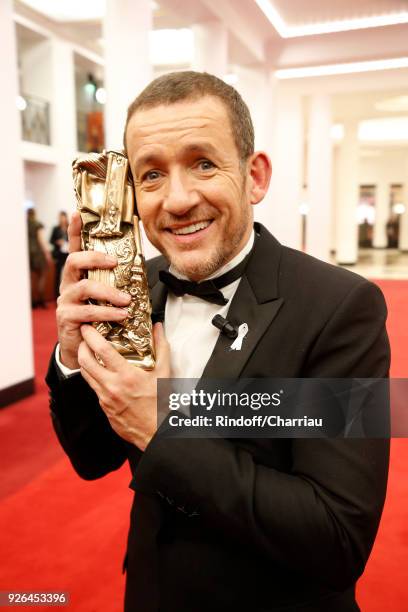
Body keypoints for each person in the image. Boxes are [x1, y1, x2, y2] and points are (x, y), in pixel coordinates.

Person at [46, 72, 390, 612]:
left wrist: (163, 430)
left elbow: (338, 537)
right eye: (152, 174)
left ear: (254, 176)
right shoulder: (138, 287)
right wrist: (70, 357)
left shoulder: (342, 309)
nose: (178, 200)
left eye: (204, 163)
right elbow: (92, 459)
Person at [27, 207, 52, 308]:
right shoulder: (37, 224)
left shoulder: (24, 225)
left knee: (32, 279)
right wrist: (47, 253)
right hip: (38, 253)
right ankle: (41, 300)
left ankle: (32, 301)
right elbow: (41, 239)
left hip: (28, 253)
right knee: (42, 276)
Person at [50, 211, 69, 299]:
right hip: (59, 254)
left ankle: (67, 294)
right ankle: (57, 296)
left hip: (68, 253)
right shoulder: (55, 229)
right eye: (60, 217)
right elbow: (51, 240)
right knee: (58, 275)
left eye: (63, 217)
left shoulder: (69, 227)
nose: (62, 219)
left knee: (68, 274)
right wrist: (58, 242)